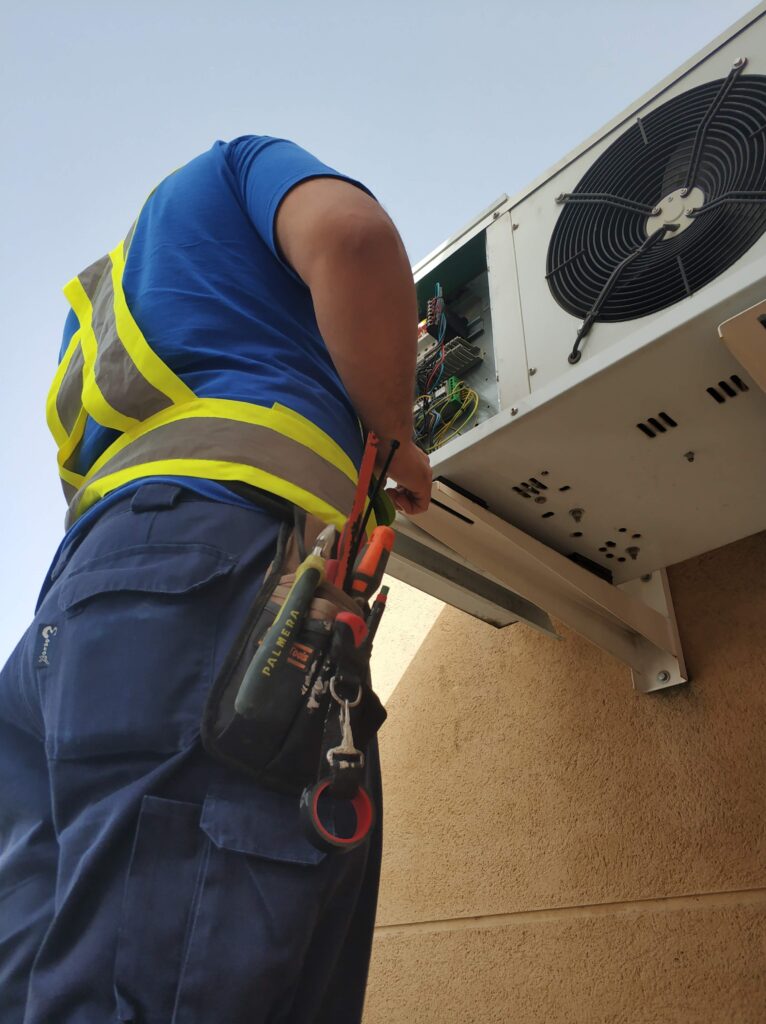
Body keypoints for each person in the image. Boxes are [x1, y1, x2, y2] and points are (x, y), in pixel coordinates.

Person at [0, 136, 432, 1023]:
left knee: (44, 963)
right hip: (215, 580)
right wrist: (394, 439)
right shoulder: (236, 167)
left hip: (71, 633)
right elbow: (352, 239)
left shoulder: (103, 313)